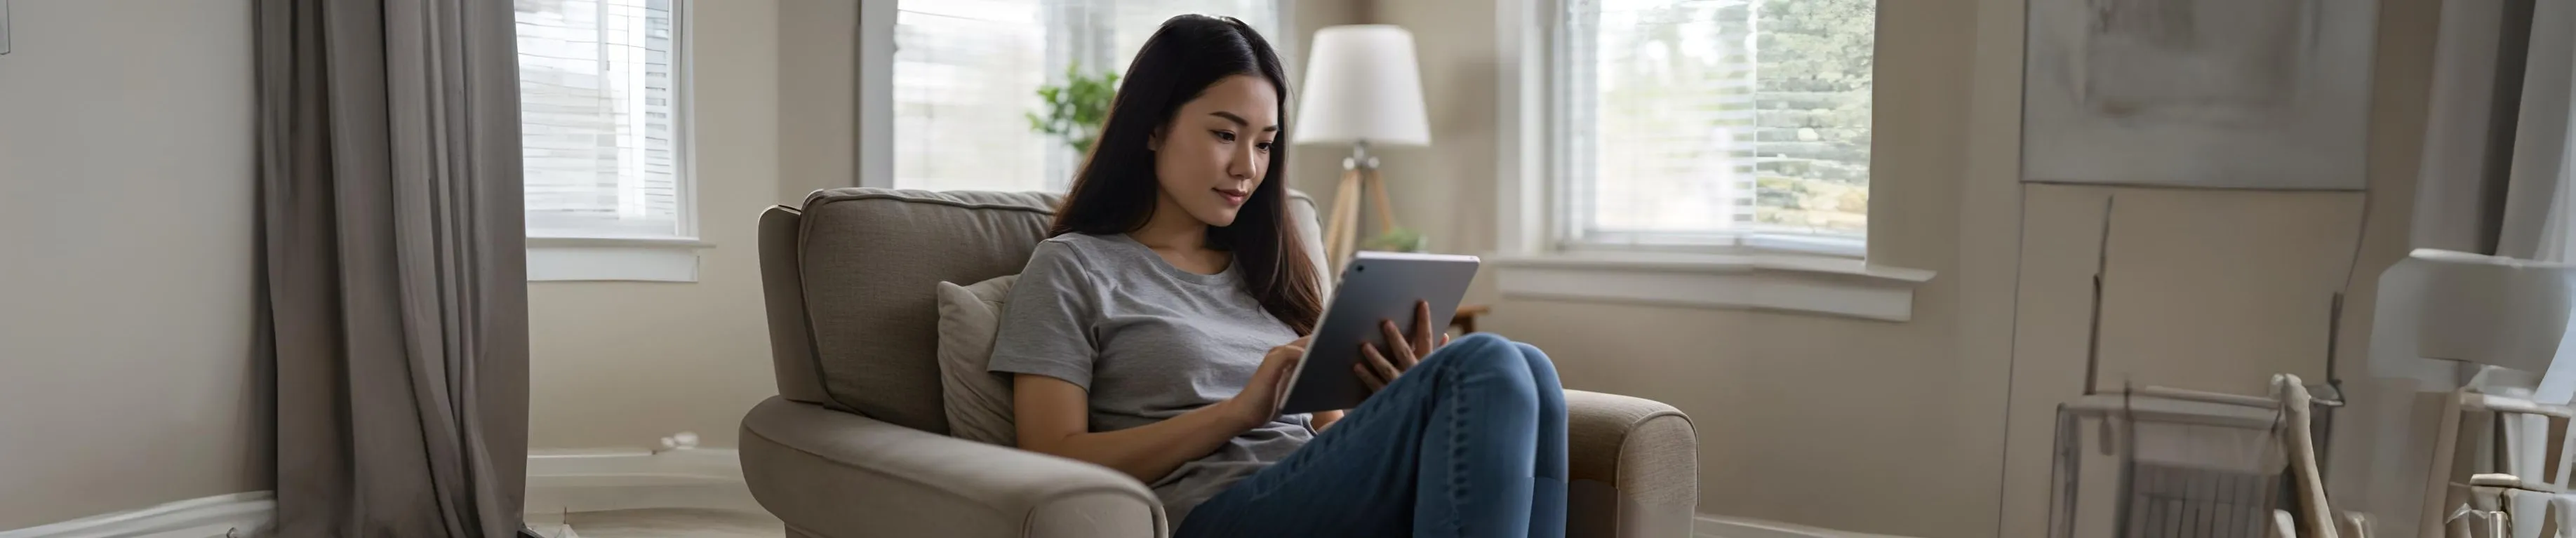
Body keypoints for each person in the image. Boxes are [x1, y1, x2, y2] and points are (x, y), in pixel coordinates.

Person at [984, 13, 1568, 538]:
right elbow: (1052, 454)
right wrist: (1239, 411)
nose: (1247, 168)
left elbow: (1322, 432)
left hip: (1308, 487)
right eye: (1223, 134)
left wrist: (1392, 402)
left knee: (1531, 368)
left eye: (1264, 144)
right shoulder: (1073, 266)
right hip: (1213, 511)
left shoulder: (1270, 270)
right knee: (1484, 359)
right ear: (1153, 127)